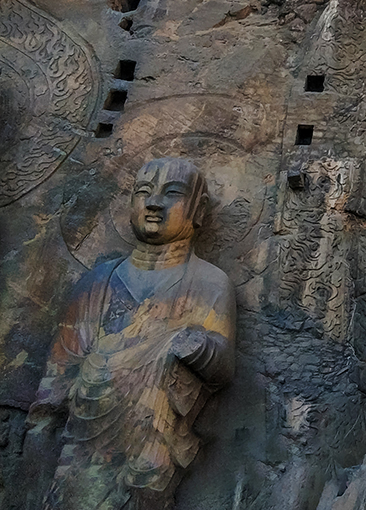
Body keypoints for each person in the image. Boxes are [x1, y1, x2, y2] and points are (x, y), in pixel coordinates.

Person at [27, 158, 235, 510]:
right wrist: (40, 430)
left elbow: (222, 365)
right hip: (84, 444)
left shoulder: (209, 282)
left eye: (172, 193)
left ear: (197, 210)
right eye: (143, 192)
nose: (154, 203)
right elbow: (59, 372)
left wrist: (187, 344)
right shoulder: (98, 280)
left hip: (153, 443)